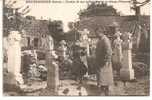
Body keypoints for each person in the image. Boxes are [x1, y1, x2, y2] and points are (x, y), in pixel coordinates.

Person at [95, 27, 114, 95]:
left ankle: (106, 89)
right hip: (100, 61)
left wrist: (106, 60)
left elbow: (109, 51)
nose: (96, 34)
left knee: (105, 76)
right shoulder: (100, 40)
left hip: (104, 61)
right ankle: (103, 87)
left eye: (96, 33)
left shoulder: (105, 40)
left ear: (100, 32)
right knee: (102, 76)